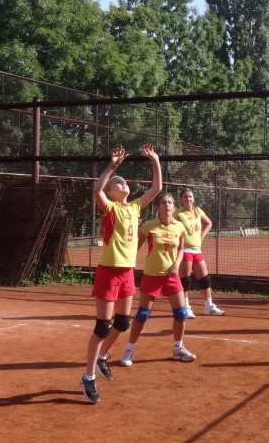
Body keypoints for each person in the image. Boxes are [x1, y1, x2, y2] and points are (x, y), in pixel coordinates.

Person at [80, 144, 162, 404]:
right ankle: (88, 376)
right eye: (118, 182)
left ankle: (103, 357)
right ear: (111, 192)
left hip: (126, 272)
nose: (123, 182)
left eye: (124, 180)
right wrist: (112, 167)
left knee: (123, 322)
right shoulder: (110, 208)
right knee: (102, 326)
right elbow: (96, 190)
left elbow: (156, 188)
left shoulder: (134, 208)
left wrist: (155, 161)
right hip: (108, 272)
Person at [119, 192, 196, 367]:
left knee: (181, 313)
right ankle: (129, 350)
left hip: (172, 276)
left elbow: (181, 249)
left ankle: (178, 349)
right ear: (157, 207)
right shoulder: (149, 226)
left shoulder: (179, 227)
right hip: (152, 275)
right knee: (142, 314)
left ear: (174, 208)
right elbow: (134, 246)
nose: (167, 205)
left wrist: (176, 264)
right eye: (163, 203)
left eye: (170, 203)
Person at [174, 187, 224, 317]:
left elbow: (209, 223)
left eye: (190, 196)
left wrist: (202, 235)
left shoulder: (198, 211)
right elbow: (171, 226)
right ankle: (186, 308)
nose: (188, 199)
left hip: (197, 249)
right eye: (185, 197)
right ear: (181, 199)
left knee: (205, 280)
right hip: (184, 249)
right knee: (185, 281)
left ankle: (209, 307)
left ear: (193, 198)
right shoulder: (178, 213)